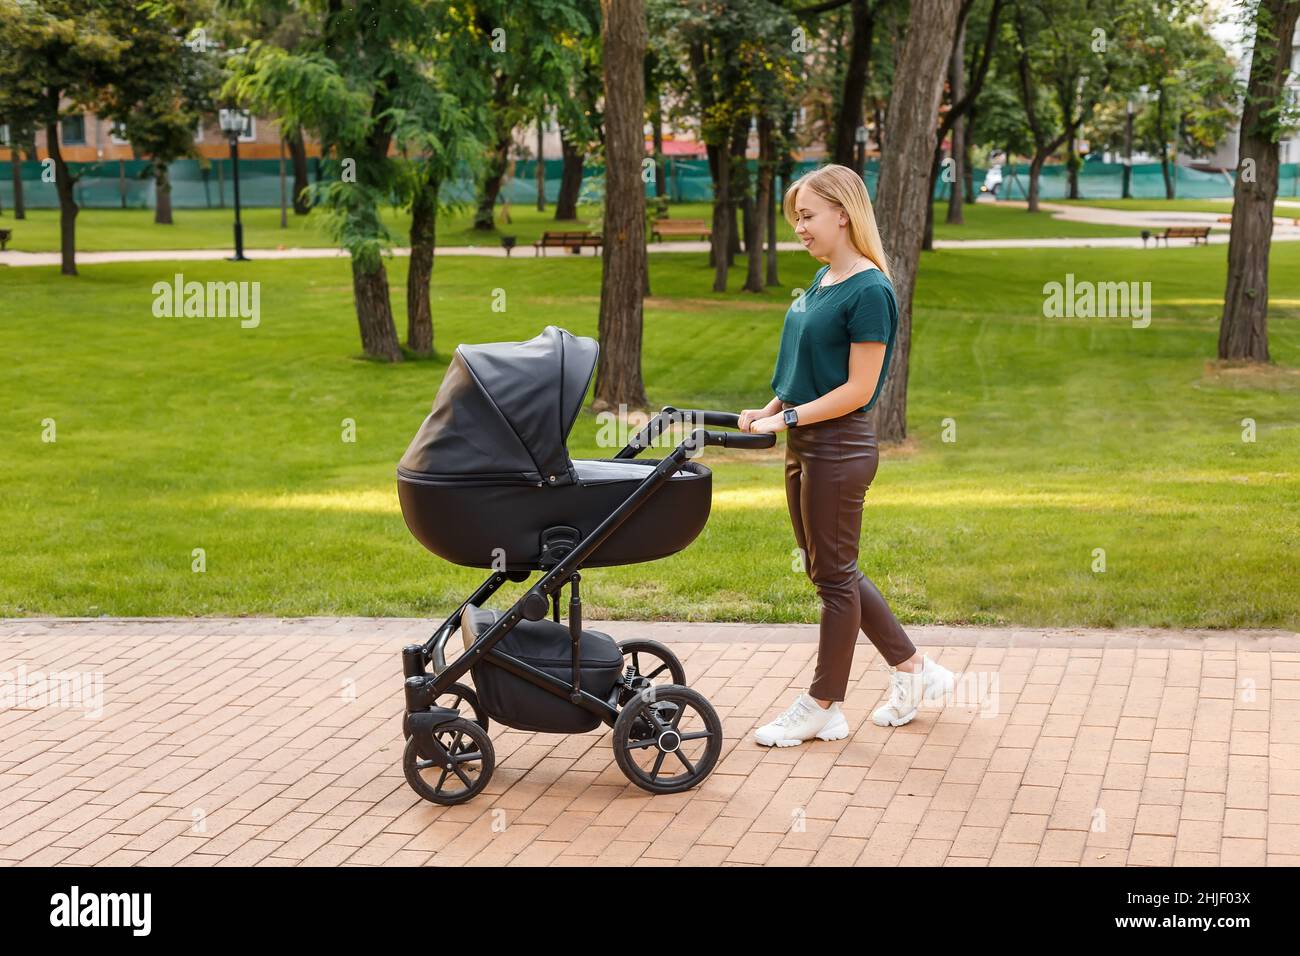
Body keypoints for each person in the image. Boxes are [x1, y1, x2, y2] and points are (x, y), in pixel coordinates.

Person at [739, 163, 955, 748]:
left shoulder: (870, 289)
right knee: (829, 569)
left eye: (807, 217)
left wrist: (784, 418)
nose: (800, 229)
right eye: (796, 219)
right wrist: (769, 408)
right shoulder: (823, 283)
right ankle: (915, 671)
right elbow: (808, 371)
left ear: (843, 212)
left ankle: (823, 704)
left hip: (839, 447)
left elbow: (858, 389)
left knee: (833, 578)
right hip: (805, 443)